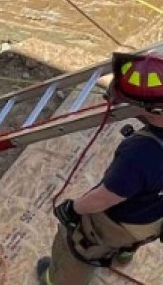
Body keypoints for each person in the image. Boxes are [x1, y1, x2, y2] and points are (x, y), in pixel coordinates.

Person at [36, 112, 163, 283]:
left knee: (79, 247)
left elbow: (104, 198)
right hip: (152, 222)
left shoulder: (141, 154)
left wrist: (72, 209)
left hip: (119, 223)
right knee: (132, 238)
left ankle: (56, 281)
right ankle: (125, 253)